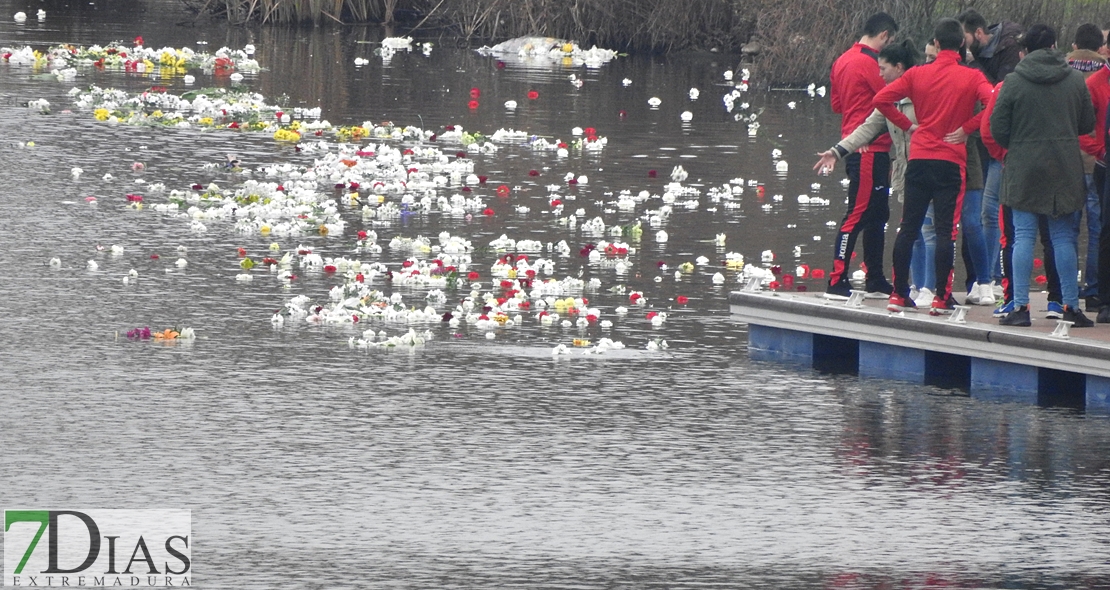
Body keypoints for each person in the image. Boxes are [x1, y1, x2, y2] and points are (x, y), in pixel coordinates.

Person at [874, 18, 993, 314]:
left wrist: (908, 125)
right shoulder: (972, 77)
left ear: (936, 44)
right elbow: (995, 103)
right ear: (963, 44)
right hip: (950, 161)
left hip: (919, 157)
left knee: (908, 228)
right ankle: (941, 297)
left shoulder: (917, 74)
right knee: (945, 231)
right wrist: (968, 127)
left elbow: (881, 98)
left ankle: (898, 294)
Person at [990, 24, 1095, 327]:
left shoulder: (1014, 81)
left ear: (1026, 50)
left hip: (1024, 165)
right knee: (1063, 237)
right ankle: (1071, 307)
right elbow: (1087, 123)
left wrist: (1019, 144)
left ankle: (1021, 308)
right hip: (1064, 166)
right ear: (1054, 46)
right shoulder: (1075, 80)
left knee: (1022, 235)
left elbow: (998, 127)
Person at [823, 12, 899, 301]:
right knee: (857, 214)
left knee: (879, 215)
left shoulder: (842, 60)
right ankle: (836, 279)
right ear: (884, 36)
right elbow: (893, 94)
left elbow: (836, 105)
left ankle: (876, 279)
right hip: (867, 148)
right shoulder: (871, 65)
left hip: (859, 145)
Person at [1068, 23, 1109, 310]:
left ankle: (1068, 293)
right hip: (1099, 164)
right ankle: (1094, 290)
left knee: (1068, 230)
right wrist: (1102, 151)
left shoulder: (1064, 70)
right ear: (1101, 47)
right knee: (1098, 229)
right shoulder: (1098, 80)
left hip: (1074, 161)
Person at [957, 9, 1023, 84]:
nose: (962, 43)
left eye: (965, 38)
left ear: (979, 33)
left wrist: (973, 63)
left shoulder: (1009, 48)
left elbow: (1002, 90)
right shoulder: (976, 50)